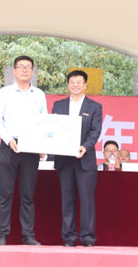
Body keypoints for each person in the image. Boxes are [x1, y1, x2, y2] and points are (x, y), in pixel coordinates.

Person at [0, 56, 47, 246]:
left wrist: (42, 146)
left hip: (31, 146)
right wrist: (8, 140)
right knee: (5, 194)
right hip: (9, 145)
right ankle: (1, 235)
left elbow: (44, 121)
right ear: (14, 71)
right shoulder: (4, 93)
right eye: (21, 67)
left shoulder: (39, 95)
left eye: (28, 67)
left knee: (28, 194)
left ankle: (28, 235)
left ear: (33, 71)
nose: (24, 70)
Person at [52, 70, 102, 247]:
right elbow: (54, 129)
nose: (75, 85)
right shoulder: (58, 105)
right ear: (68, 85)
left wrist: (85, 147)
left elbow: (95, 131)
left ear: (85, 85)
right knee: (67, 200)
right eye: (72, 82)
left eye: (79, 82)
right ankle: (69, 237)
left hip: (84, 159)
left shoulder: (94, 106)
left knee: (87, 201)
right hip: (64, 159)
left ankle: (88, 237)